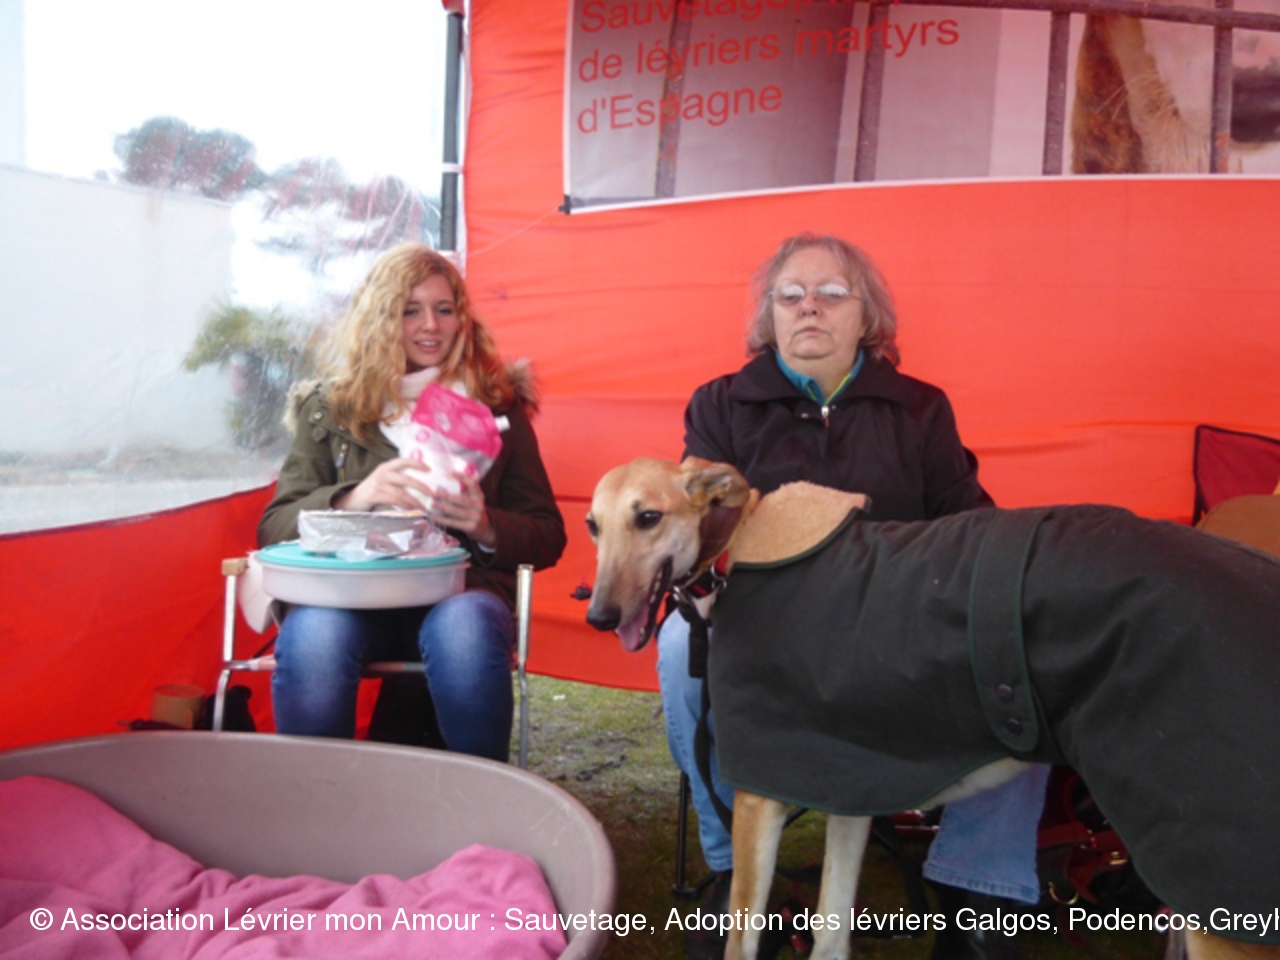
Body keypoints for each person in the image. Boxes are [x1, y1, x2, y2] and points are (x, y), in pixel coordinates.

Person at [656, 233, 1049, 959]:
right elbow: (696, 529)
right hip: (763, 623)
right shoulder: (722, 404)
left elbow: (967, 520)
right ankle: (736, 873)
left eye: (832, 293)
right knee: (682, 645)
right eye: (790, 295)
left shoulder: (920, 409)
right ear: (769, 316)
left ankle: (981, 891)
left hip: (895, 621)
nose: (809, 306)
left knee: (1021, 655)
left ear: (866, 315)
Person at [258, 243, 566, 762]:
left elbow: (547, 533)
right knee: (313, 636)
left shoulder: (495, 405)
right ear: (381, 319)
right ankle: (317, 798)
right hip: (350, 596)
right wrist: (356, 497)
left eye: (444, 309)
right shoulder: (330, 408)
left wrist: (486, 525)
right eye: (410, 311)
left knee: (465, 631)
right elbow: (274, 525)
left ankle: (476, 798)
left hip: (459, 593)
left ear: (462, 317)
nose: (431, 326)